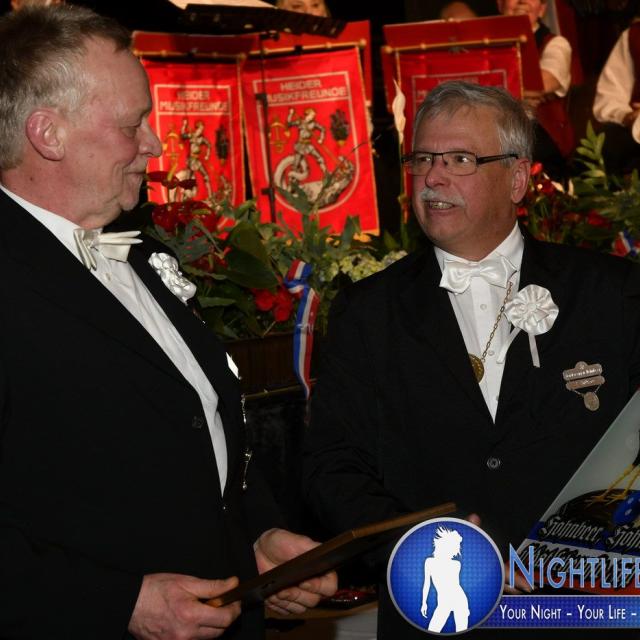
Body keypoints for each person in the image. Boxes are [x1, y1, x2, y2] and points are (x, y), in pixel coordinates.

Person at [0, 5, 336, 640]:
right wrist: (119, 604)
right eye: (133, 124)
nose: (154, 144)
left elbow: (195, 429)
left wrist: (255, 537)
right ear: (48, 135)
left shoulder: (144, 255)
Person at [303, 81, 640, 638]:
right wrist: (422, 548)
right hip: (435, 612)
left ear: (517, 178)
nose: (433, 178)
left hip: (587, 610)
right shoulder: (367, 311)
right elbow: (332, 467)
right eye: (422, 159)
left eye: (459, 159)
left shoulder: (611, 293)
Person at [497, 0, 574, 178]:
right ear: (500, 4)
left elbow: (543, 82)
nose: (522, 1)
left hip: (540, 136)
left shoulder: (555, 44)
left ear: (542, 9)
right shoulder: (484, 43)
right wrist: (521, 95)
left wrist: (491, 90)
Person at [593, 18, 640, 175]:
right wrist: (629, 116)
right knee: (604, 144)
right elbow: (610, 95)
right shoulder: (634, 35)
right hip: (636, 127)